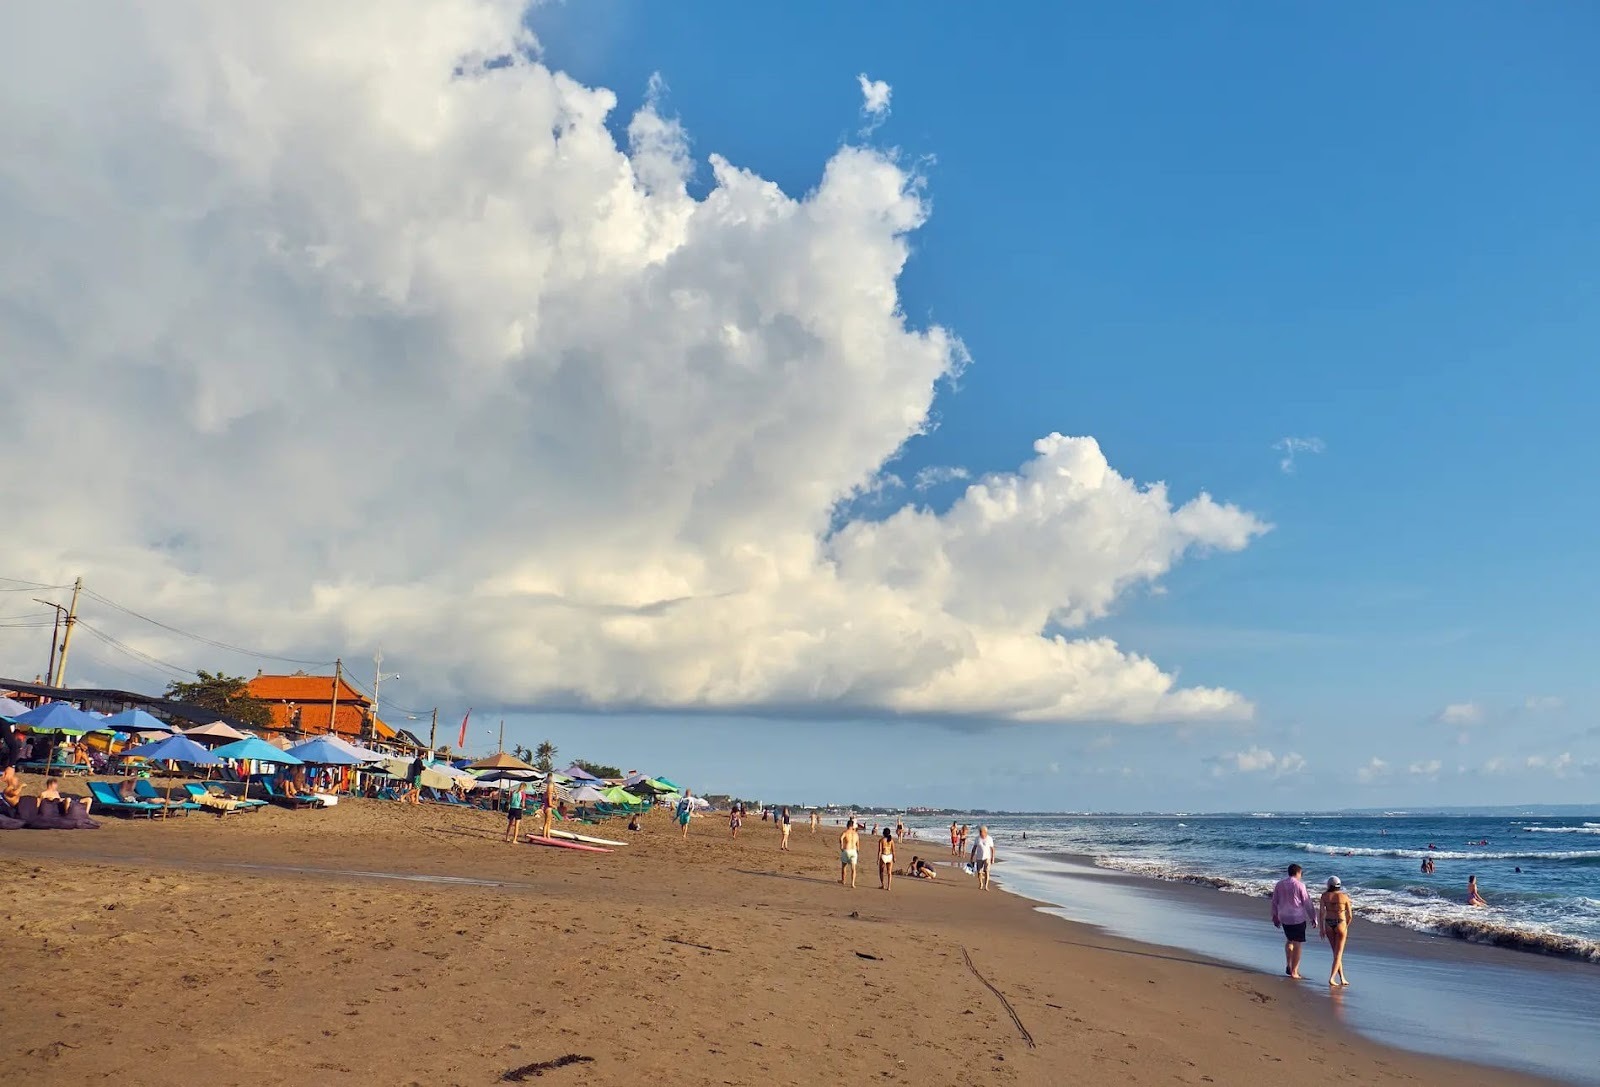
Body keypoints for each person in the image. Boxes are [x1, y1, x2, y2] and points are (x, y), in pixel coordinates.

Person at [1270, 863, 1313, 979]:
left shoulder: (1279, 884)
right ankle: (1294, 971)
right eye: (1301, 873)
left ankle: (1289, 964)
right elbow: (1307, 902)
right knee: (1297, 943)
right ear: (1298, 873)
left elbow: (1274, 901)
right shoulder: (1300, 885)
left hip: (1284, 916)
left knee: (1289, 940)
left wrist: (1275, 916)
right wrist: (1313, 917)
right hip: (1297, 917)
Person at [1319, 876, 1353, 987]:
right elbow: (1350, 915)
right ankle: (1332, 978)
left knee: (1336, 954)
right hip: (1341, 923)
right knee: (1338, 954)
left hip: (1328, 923)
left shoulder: (1324, 896)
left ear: (1329, 885)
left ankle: (1342, 978)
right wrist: (1346, 925)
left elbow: (1321, 913)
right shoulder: (1344, 897)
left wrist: (1322, 929)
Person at [969, 826, 997, 890]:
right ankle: (981, 883)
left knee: (987, 871)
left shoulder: (989, 838)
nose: (980, 833)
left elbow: (992, 849)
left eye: (981, 832)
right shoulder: (977, 838)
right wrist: (971, 858)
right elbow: (974, 848)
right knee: (979, 872)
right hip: (979, 857)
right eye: (980, 832)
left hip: (987, 857)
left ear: (985, 832)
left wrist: (993, 858)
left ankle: (986, 886)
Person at [839, 819, 861, 888]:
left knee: (844, 867)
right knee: (853, 868)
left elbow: (841, 838)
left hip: (847, 850)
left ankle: (843, 880)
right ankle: (852, 884)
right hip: (854, 851)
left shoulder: (845, 832)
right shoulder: (856, 834)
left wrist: (841, 846)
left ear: (847, 825)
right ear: (852, 826)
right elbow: (858, 843)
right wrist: (858, 850)